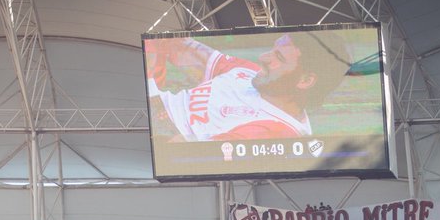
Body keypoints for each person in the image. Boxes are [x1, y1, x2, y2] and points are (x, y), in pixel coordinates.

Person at [145, 30, 352, 142]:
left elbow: (176, 151)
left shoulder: (276, 133)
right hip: (151, 109)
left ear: (305, 81)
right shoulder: (255, 74)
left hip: (159, 128)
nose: (263, 57)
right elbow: (180, 49)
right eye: (272, 49)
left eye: (278, 57)